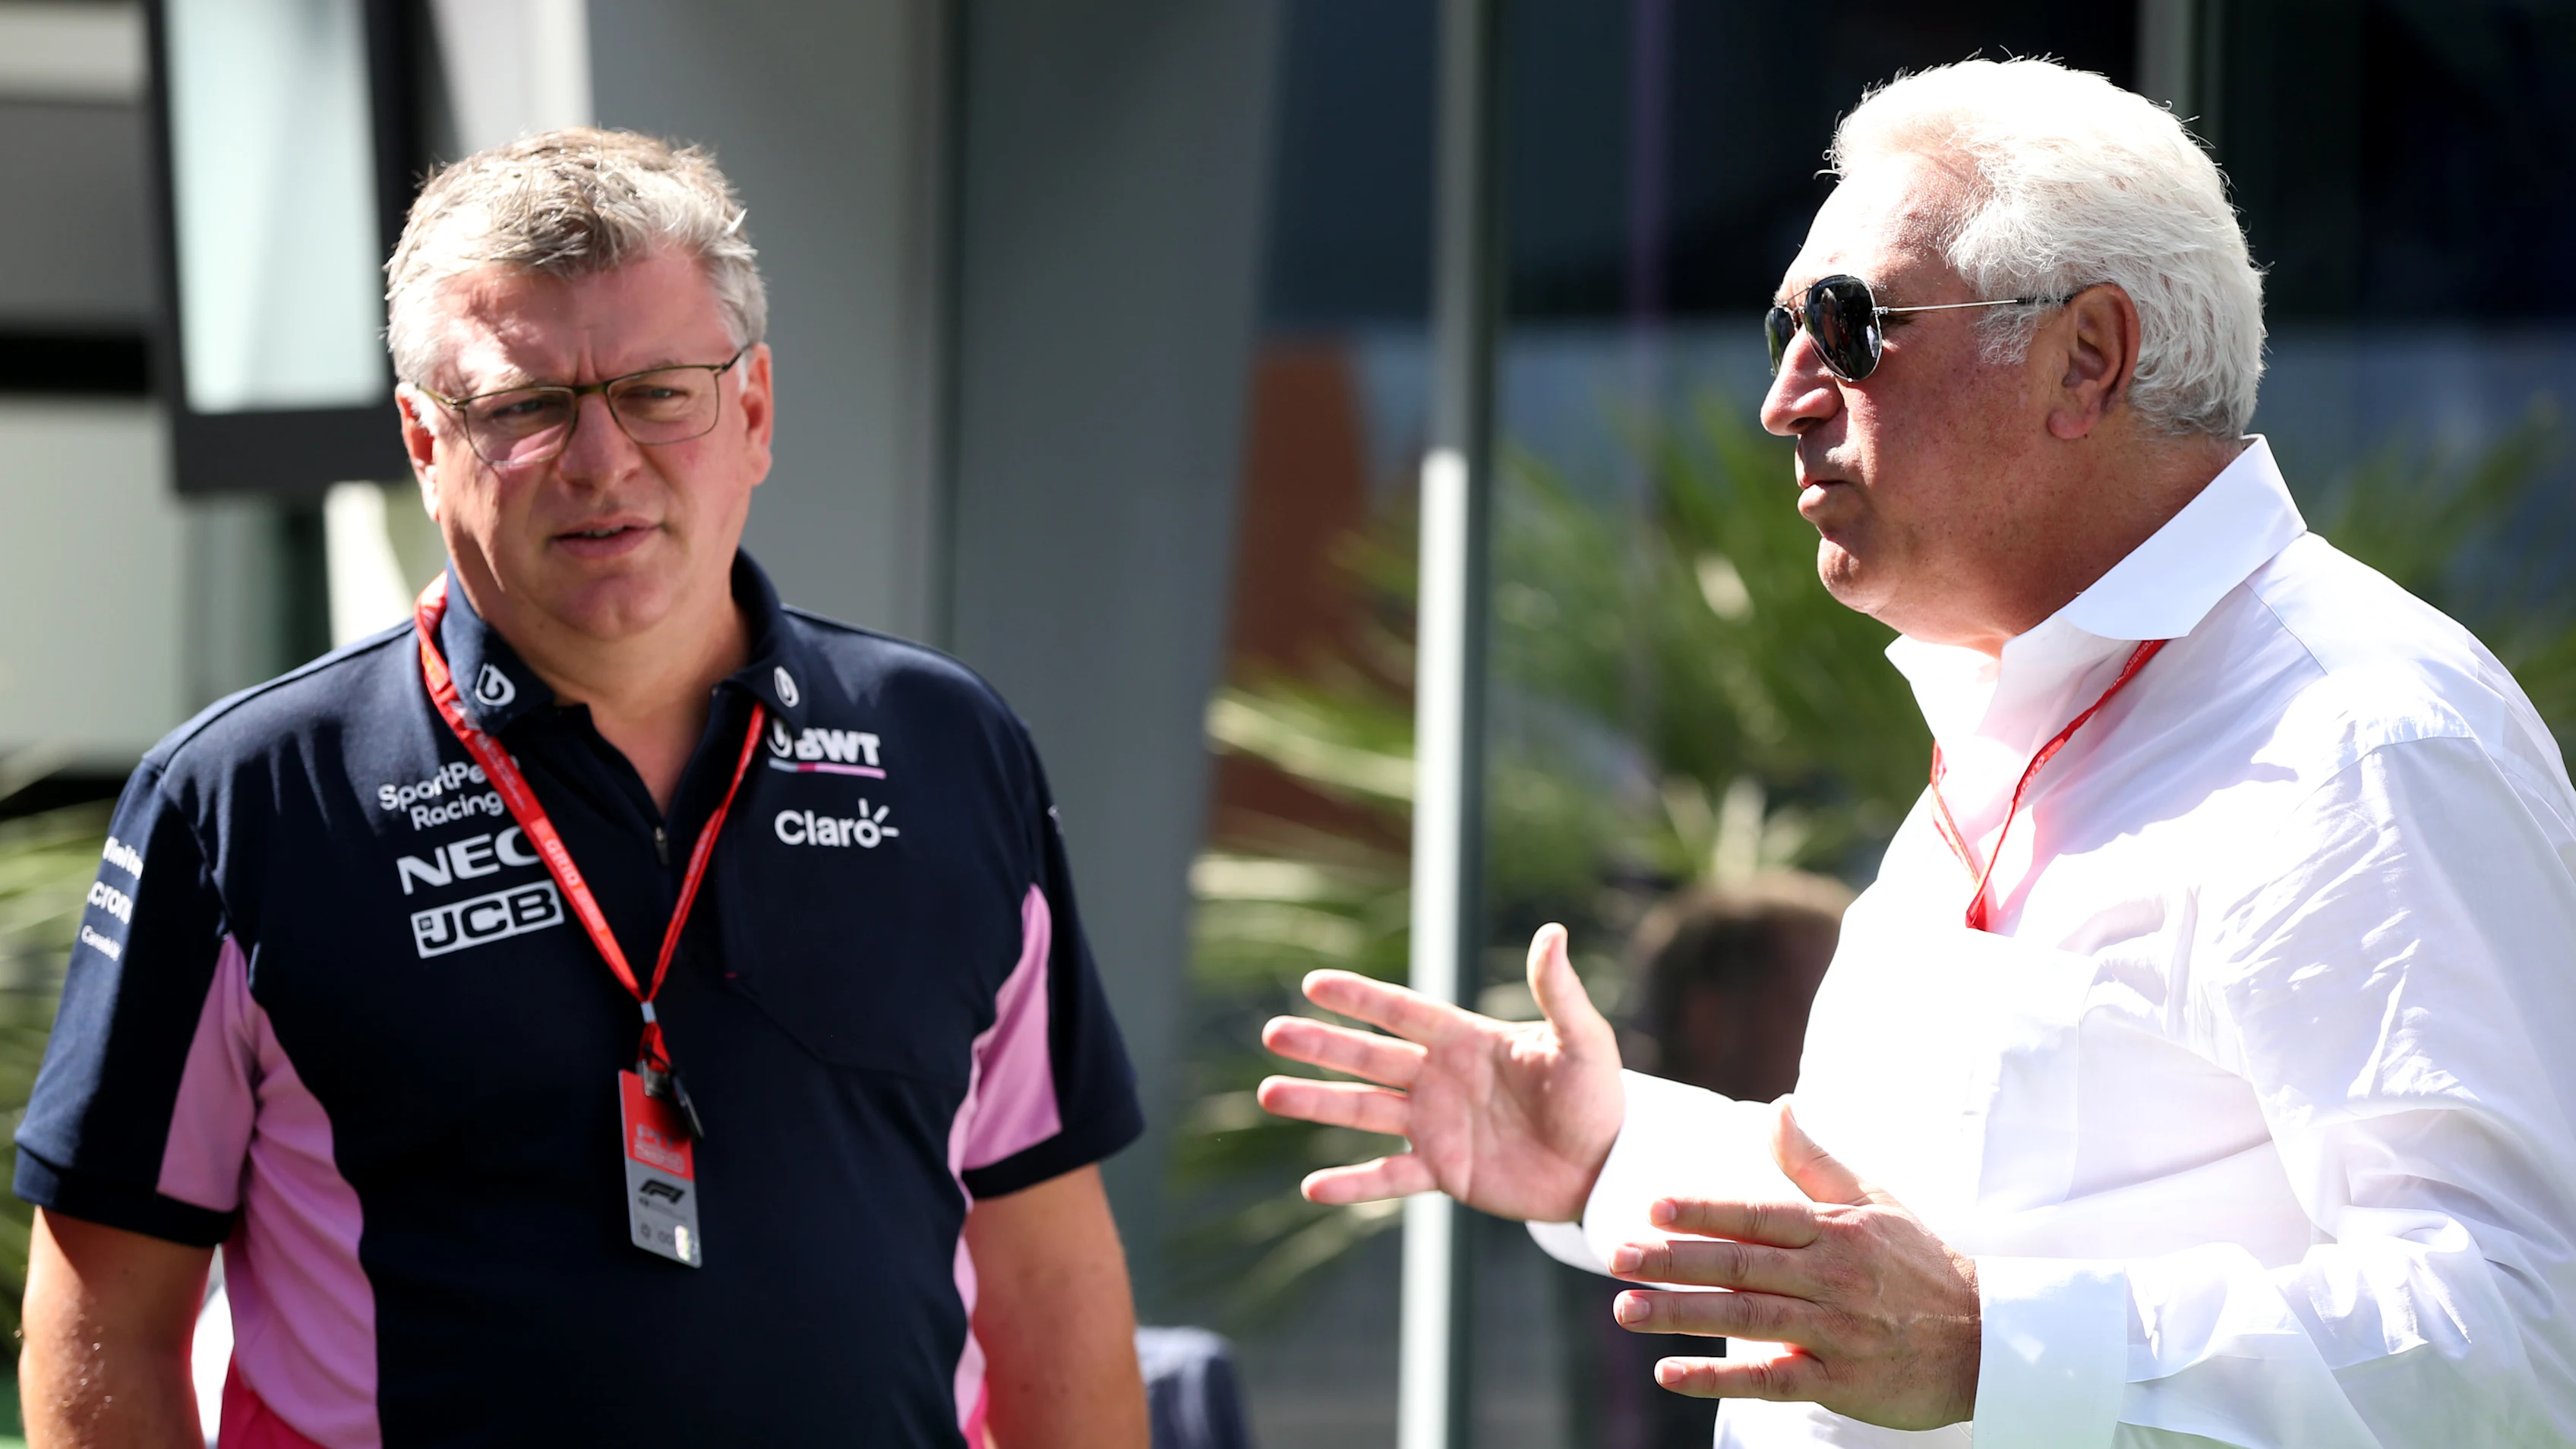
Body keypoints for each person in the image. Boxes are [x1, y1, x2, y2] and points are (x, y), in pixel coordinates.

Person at [1260, 58, 2576, 1447]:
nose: (1786, 397)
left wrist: (1999, 1346)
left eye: (1850, 323)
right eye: (1783, 324)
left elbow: (2520, 1336)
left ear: (2089, 358)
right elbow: (1917, 1221)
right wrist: (1607, 1151)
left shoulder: (2364, 741)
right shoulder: (2025, 707)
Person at [16, 129, 1150, 1449]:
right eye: (523, 407)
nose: (600, 460)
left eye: (660, 390)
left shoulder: (951, 749)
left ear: (756, 410)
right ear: (423, 442)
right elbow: (103, 1325)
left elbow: (1050, 1278)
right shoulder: (250, 799)